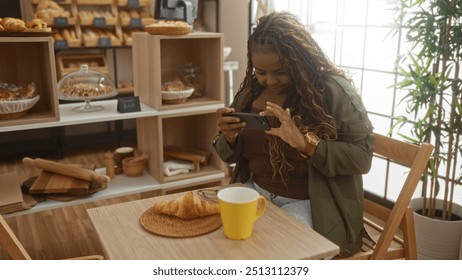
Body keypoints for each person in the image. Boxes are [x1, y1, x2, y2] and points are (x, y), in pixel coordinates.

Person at [212, 11, 374, 257]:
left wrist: (307, 144)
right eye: (260, 72)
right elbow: (229, 157)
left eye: (281, 71)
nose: (270, 81)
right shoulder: (249, 93)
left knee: (273, 252)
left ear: (300, 60)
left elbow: (362, 158)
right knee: (217, 242)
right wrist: (230, 137)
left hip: (314, 205)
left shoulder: (333, 93)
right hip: (255, 191)